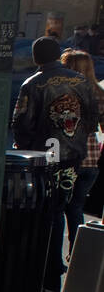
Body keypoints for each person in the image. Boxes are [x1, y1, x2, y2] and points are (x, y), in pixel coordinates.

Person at [12, 37, 100, 292]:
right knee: (62, 208)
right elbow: (93, 118)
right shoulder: (82, 82)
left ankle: (47, 274)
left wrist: (25, 148)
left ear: (36, 58)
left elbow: (22, 123)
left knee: (47, 215)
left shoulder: (34, 83)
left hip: (45, 157)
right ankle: (56, 272)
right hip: (74, 156)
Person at [60, 50, 104, 256]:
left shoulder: (65, 91)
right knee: (77, 207)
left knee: (59, 209)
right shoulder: (99, 92)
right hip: (92, 158)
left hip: (69, 156)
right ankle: (77, 254)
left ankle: (54, 258)